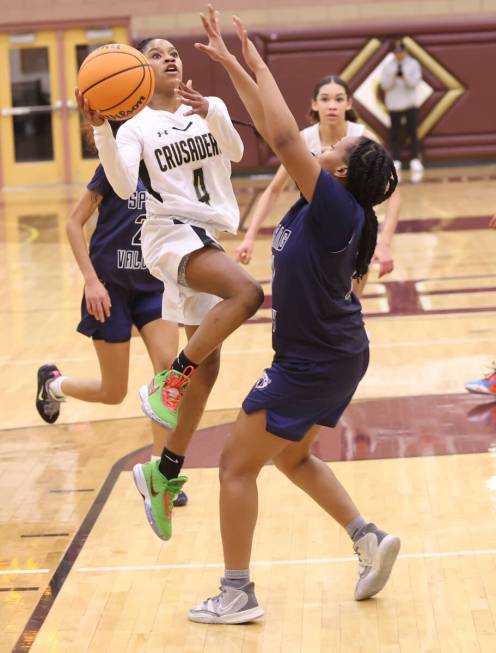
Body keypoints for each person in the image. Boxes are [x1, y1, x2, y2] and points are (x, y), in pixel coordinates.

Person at [187, 5, 400, 625]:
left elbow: (283, 137)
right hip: (331, 353)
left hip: (314, 360)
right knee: (291, 455)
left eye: (346, 145)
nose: (339, 138)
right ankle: (367, 537)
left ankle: (236, 592)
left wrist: (251, 61)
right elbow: (279, 134)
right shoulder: (332, 203)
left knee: (234, 465)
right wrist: (235, 65)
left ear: (340, 172)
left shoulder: (335, 207)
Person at [76, 36, 264, 541]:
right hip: (170, 236)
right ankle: (168, 380)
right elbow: (120, 185)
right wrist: (102, 129)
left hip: (207, 231)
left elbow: (238, 151)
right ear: (137, 73)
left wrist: (214, 114)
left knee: (212, 366)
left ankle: (162, 473)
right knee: (247, 294)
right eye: (155, 55)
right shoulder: (135, 126)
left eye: (172, 52)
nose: (170, 58)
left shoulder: (209, 106)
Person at [35, 124, 220, 509]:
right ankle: (53, 385)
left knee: (167, 373)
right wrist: (90, 281)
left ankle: (160, 473)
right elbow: (73, 223)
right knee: (113, 391)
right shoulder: (115, 167)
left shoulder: (166, 164)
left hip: (154, 284)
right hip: (110, 288)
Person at [235, 75, 401, 286]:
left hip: (352, 232)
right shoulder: (304, 139)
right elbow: (274, 190)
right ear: (314, 103)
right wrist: (249, 237)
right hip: (314, 229)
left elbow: (393, 192)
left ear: (348, 103)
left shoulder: (363, 140)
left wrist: (384, 242)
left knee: (350, 304)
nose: (332, 106)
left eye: (339, 99)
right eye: (325, 99)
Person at [380, 39, 423, 180]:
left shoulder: (413, 64)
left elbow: (415, 83)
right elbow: (384, 85)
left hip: (410, 104)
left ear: (405, 52)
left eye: (401, 51)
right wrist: (393, 78)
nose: (399, 54)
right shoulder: (388, 66)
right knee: (395, 133)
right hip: (394, 105)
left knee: (412, 132)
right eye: (396, 52)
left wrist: (405, 77)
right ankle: (396, 160)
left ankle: (415, 159)